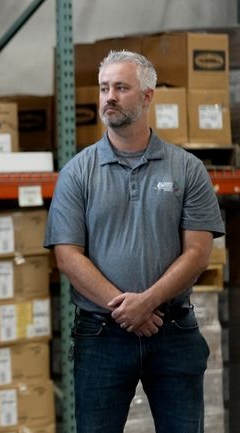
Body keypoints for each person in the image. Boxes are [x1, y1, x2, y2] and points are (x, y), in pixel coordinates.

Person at [44, 50, 224, 433]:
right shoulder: (78, 172)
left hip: (172, 332)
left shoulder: (186, 168)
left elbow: (197, 252)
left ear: (147, 97)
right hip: (101, 335)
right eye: (105, 88)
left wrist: (148, 302)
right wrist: (125, 309)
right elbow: (67, 256)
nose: (109, 97)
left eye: (121, 88)